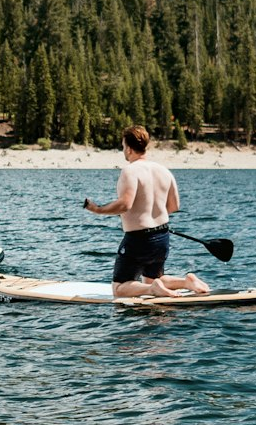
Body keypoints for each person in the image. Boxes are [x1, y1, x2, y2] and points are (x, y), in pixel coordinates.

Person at [83, 125, 210, 298]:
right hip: (162, 237)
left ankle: (153, 289)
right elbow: (174, 206)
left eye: (123, 146)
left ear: (128, 147)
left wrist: (97, 209)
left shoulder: (130, 171)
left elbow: (124, 205)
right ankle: (186, 282)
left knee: (119, 289)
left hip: (138, 239)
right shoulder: (164, 171)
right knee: (151, 279)